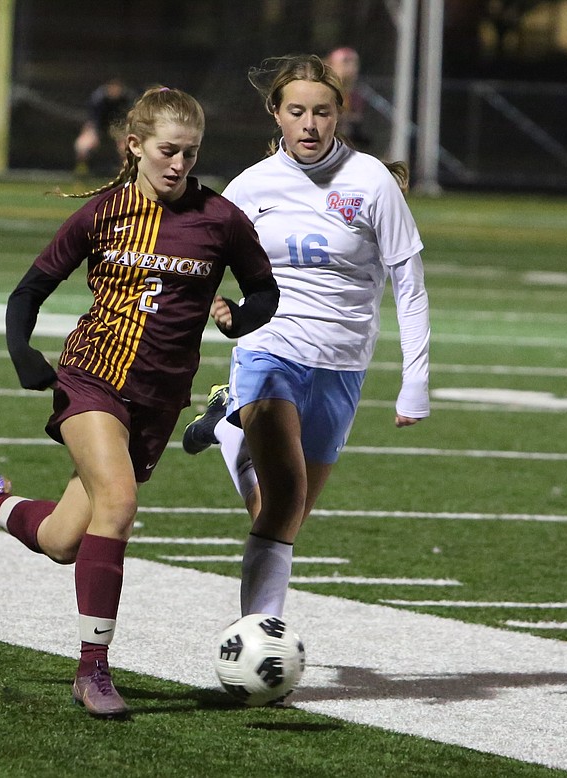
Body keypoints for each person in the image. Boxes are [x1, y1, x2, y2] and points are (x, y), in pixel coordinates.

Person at [0, 85, 278, 718]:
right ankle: (93, 670)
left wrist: (238, 319)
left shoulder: (221, 219)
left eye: (190, 152)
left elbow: (265, 294)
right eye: (167, 151)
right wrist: (24, 354)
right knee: (119, 503)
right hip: (92, 377)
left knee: (65, 539)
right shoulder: (105, 212)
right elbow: (29, 290)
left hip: (159, 400)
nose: (179, 164)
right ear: (135, 146)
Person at [182, 54, 430, 621]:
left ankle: (228, 430)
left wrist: (415, 381)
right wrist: (211, 314)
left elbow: (409, 284)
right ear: (277, 114)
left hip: (342, 363)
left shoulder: (371, 182)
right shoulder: (251, 187)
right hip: (270, 350)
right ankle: (259, 636)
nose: (310, 125)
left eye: (322, 112)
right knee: (283, 506)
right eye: (297, 112)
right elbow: (201, 264)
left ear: (339, 113)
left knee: (282, 513)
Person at [73, 77, 135, 176]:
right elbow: (91, 121)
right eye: (112, 87)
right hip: (98, 127)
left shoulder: (126, 98)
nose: (114, 90)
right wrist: (91, 131)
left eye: (117, 88)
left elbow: (130, 118)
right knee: (82, 145)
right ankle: (82, 168)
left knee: (126, 146)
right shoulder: (98, 98)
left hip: (118, 127)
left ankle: (125, 170)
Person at [325, 47, 369, 149]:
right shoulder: (322, 93)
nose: (351, 68)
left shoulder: (357, 95)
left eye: (354, 63)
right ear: (330, 65)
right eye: (345, 62)